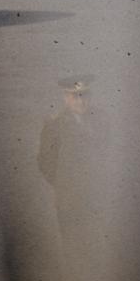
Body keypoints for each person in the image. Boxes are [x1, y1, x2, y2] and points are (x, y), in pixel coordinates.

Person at [38, 76, 99, 252]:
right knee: (74, 243)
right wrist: (63, 184)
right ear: (66, 98)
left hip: (98, 194)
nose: (81, 101)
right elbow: (45, 162)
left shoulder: (100, 120)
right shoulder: (54, 124)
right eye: (75, 96)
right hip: (70, 196)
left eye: (85, 95)